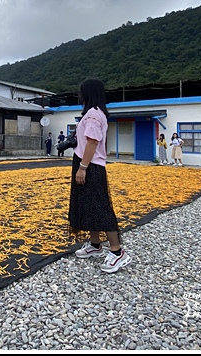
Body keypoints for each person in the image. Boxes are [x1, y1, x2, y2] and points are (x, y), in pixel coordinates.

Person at [69, 78, 131, 273]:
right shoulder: (94, 113)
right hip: (88, 163)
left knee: (100, 206)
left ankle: (117, 251)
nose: (79, 96)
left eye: (81, 92)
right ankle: (95, 245)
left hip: (91, 166)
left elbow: (92, 143)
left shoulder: (93, 115)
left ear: (87, 94)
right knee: (89, 205)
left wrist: (83, 167)